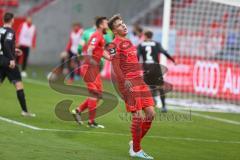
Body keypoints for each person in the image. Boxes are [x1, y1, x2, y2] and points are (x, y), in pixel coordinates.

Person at [108, 15, 155, 159]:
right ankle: (136, 150)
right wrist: (124, 81)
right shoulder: (113, 45)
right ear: (115, 31)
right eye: (120, 25)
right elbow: (115, 66)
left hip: (139, 81)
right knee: (138, 117)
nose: (124, 26)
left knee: (151, 114)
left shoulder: (128, 41)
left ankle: (134, 143)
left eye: (123, 23)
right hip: (128, 83)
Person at [72, 16, 111, 128]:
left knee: (99, 95)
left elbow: (101, 51)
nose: (107, 26)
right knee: (94, 94)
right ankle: (91, 122)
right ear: (100, 25)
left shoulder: (102, 36)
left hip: (94, 69)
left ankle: (78, 110)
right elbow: (90, 49)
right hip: (88, 68)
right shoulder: (96, 35)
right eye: (106, 23)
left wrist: (110, 58)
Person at [0, 12, 35, 117]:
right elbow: (6, 43)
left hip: (0, 59)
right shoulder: (10, 31)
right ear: (12, 20)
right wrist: (11, 58)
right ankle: (24, 111)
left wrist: (14, 49)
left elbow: (3, 45)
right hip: (8, 62)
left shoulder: (0, 30)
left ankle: (25, 111)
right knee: (19, 84)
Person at [138, 30, 176, 112]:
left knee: (145, 87)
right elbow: (164, 52)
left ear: (145, 36)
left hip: (147, 68)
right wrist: (172, 60)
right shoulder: (156, 44)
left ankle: (145, 104)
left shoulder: (141, 45)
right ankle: (164, 106)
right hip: (156, 68)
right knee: (160, 87)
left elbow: (137, 56)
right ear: (151, 36)